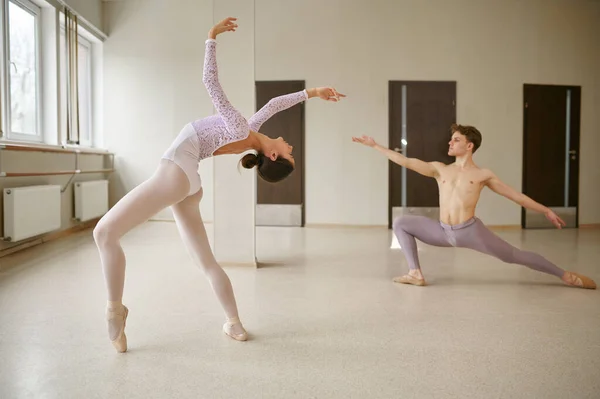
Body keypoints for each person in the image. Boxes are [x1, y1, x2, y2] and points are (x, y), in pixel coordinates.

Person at [94, 17, 345, 353]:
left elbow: (209, 83)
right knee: (208, 262)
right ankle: (235, 324)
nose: (291, 147)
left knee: (104, 233)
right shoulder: (248, 131)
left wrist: (211, 37)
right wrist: (313, 92)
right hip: (189, 184)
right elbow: (273, 105)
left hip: (176, 173)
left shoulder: (241, 129)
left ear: (272, 156)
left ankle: (114, 310)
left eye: (289, 154)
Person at [352, 124, 596, 290]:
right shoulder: (440, 168)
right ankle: (415, 273)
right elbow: (405, 161)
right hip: (441, 231)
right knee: (401, 222)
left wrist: (546, 210)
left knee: (513, 256)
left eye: (456, 139)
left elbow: (516, 196)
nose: (450, 142)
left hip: (470, 231)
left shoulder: (483, 175)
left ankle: (565, 275)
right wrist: (375, 146)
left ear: (469, 146)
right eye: (451, 138)